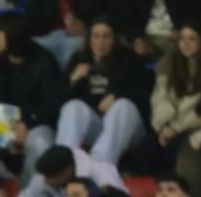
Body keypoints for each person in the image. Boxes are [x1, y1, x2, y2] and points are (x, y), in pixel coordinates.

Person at [0, 11, 63, 180]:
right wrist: (6, 125)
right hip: (1, 121)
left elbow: (52, 105)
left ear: (12, 35)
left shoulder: (44, 61)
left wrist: (27, 123)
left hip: (37, 124)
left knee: (41, 144)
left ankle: (27, 193)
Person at [55, 17, 152, 165]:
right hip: (98, 125)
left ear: (114, 39)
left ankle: (99, 165)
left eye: (106, 36)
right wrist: (73, 79)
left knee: (123, 105)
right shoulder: (78, 59)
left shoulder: (129, 59)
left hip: (128, 126)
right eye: (96, 36)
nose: (101, 42)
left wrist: (117, 96)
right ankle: (63, 163)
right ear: (89, 38)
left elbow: (145, 92)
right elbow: (56, 101)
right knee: (73, 106)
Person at [150, 19, 201, 152]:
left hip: (195, 127)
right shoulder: (168, 63)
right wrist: (163, 126)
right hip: (167, 125)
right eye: (182, 38)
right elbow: (159, 98)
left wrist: (176, 128)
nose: (185, 44)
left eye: (192, 39)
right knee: (146, 147)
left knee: (176, 149)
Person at [6, 144, 129, 197]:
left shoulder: (99, 170)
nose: (46, 182)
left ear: (67, 171)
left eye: (52, 178)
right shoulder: (45, 177)